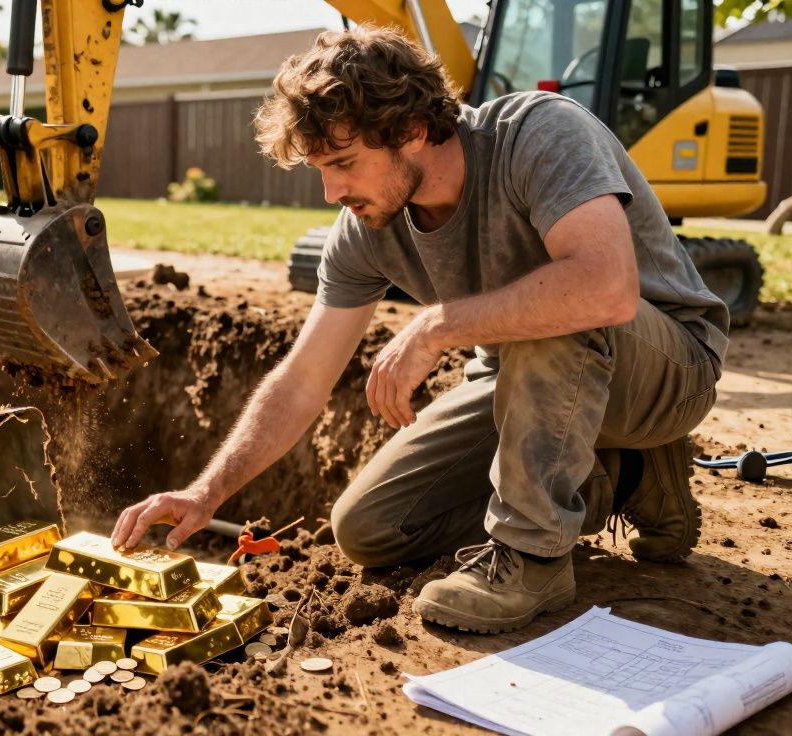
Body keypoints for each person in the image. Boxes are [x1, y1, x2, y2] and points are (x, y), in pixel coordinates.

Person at [110, 25, 727, 634]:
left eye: (344, 163)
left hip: (666, 369)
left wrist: (437, 326)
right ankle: (633, 481)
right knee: (370, 527)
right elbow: (302, 381)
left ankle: (534, 559)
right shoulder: (366, 230)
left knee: (557, 308)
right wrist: (206, 492)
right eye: (321, 169)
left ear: (409, 130)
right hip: (527, 376)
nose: (331, 191)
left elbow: (605, 288)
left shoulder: (538, 133)